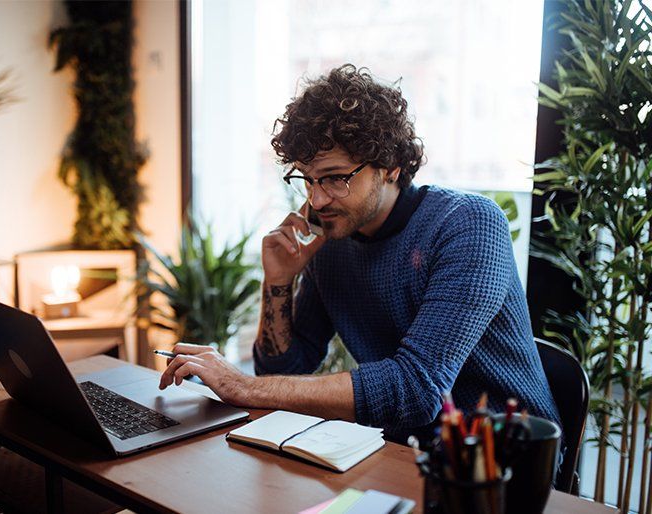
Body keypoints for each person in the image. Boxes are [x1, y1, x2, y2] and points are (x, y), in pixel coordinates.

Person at [158, 64, 561, 443]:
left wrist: (241, 384)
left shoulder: (468, 224)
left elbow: (417, 389)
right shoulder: (330, 240)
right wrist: (278, 280)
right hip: (401, 451)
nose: (316, 199)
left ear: (390, 166)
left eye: (335, 178)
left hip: (508, 457)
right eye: (307, 179)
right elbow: (284, 371)